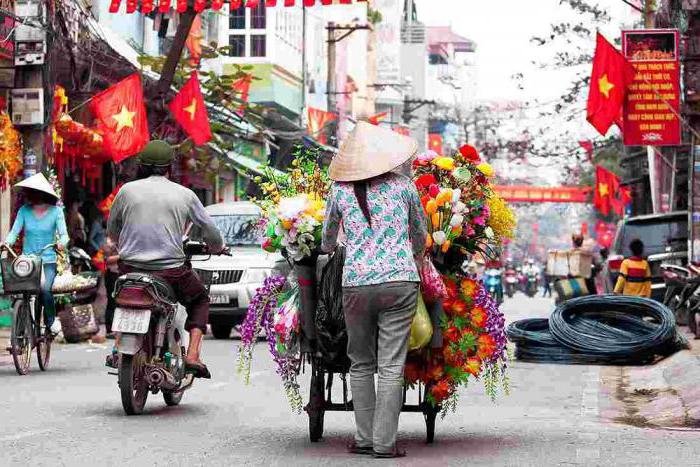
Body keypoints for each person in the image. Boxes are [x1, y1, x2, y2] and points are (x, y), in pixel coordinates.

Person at [322, 122, 427, 459]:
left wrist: (337, 247)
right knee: (392, 365)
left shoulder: (339, 191)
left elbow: (326, 241)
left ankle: (365, 439)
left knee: (361, 363)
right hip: (399, 282)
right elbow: (419, 235)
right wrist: (410, 256)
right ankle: (385, 444)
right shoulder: (405, 187)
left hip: (356, 284)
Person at [107, 140, 224, 378]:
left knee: (120, 298)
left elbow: (113, 230)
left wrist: (127, 247)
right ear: (170, 167)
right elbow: (211, 233)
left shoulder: (126, 191)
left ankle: (117, 345)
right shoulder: (185, 194)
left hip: (129, 268)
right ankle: (192, 355)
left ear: (141, 166)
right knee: (200, 299)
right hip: (170, 272)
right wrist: (218, 247)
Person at [5, 173, 69, 335]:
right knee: (20, 291)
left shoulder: (56, 212)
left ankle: (50, 321)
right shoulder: (24, 211)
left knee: (45, 289)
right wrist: (7, 243)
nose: (29, 194)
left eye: (32, 191)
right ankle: (20, 333)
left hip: (48, 261)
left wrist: (62, 243)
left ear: (43, 193)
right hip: (28, 262)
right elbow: (14, 232)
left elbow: (64, 235)